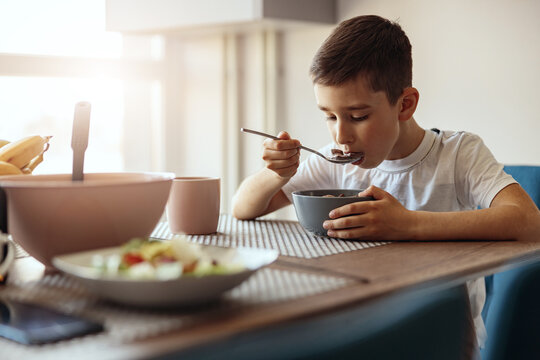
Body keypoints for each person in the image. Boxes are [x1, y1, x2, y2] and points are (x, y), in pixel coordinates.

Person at [232, 15, 540, 349]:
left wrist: (408, 224)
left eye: (358, 116)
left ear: (404, 104)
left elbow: (529, 222)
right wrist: (276, 174)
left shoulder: (457, 154)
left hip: (445, 341)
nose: (341, 135)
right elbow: (243, 209)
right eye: (329, 116)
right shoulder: (333, 163)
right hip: (361, 332)